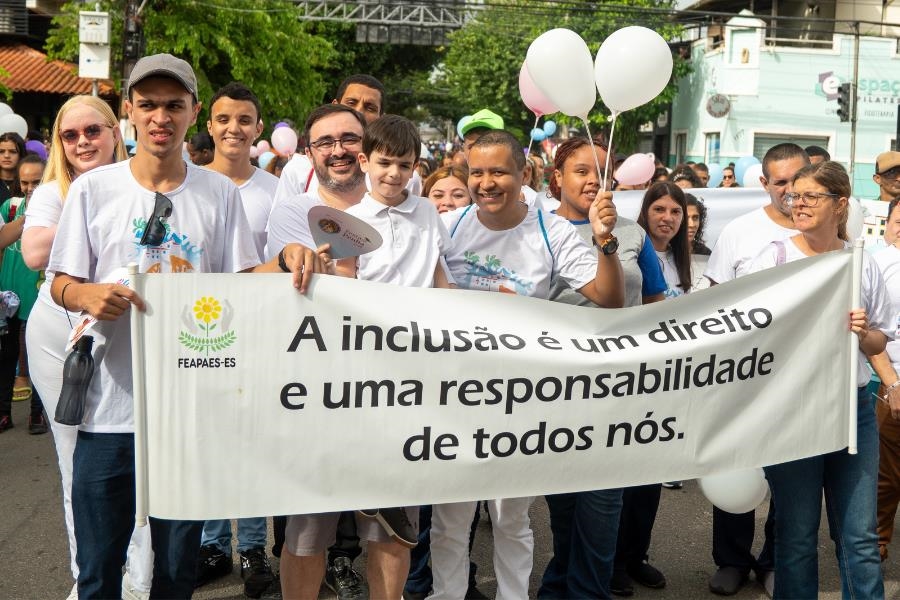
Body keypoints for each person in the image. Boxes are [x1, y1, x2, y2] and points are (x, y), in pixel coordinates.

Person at [45, 53, 321, 600]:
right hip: (108, 410)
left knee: (176, 575)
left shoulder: (219, 193)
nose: (160, 117)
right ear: (128, 111)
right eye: (147, 105)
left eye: (174, 105)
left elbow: (240, 282)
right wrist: (85, 294)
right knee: (97, 570)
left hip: (186, 412)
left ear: (194, 112)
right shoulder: (94, 189)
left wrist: (286, 257)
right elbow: (61, 281)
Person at [430, 130, 624, 600]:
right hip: (452, 398)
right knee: (450, 519)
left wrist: (605, 240)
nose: (486, 183)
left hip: (519, 402)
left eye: (499, 172)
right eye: (477, 172)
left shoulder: (550, 230)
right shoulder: (447, 225)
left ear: (524, 174)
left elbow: (610, 298)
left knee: (510, 518)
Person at [20, 95, 150, 600]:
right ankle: (88, 576)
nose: (82, 142)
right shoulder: (53, 190)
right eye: (69, 135)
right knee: (75, 459)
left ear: (115, 131)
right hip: (59, 334)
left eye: (92, 131)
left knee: (140, 456)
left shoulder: (145, 183)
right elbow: (34, 253)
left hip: (129, 333)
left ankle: (139, 578)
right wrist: (97, 211)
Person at [320, 113, 449, 599]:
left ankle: (387, 499)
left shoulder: (428, 212)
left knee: (408, 442)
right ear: (364, 160)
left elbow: (439, 273)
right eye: (385, 163)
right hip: (372, 350)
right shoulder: (350, 221)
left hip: (421, 353)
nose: (394, 174)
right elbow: (348, 282)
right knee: (373, 433)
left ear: (416, 167)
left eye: (404, 165)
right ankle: (374, 493)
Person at [749, 160, 890, 599]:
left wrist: (863, 332)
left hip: (852, 410)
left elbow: (879, 339)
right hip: (792, 412)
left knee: (860, 538)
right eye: (795, 196)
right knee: (796, 536)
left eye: (811, 196)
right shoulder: (772, 258)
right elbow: (744, 331)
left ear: (840, 204)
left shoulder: (861, 263)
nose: (799, 204)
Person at [538, 136, 665, 600]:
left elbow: (655, 303)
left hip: (618, 390)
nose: (594, 180)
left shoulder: (632, 234)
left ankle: (586, 591)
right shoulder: (537, 230)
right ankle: (560, 584)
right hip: (554, 391)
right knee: (564, 506)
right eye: (581, 171)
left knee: (604, 502)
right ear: (557, 178)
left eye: (602, 171)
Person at [269, 103, 371, 600]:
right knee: (307, 529)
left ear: (366, 146)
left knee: (388, 528)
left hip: (390, 387)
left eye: (349, 139)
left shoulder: (399, 204)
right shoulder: (293, 211)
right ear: (309, 153)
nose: (338, 150)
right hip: (316, 389)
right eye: (325, 142)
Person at [704, 143, 810, 596]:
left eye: (797, 180)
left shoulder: (826, 229)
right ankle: (731, 560)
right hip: (743, 375)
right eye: (779, 182)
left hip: (801, 379)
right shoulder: (740, 231)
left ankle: (773, 562)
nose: (789, 191)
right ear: (764, 183)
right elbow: (714, 298)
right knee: (736, 466)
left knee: (792, 479)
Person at [194, 81, 277, 597]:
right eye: (224, 119)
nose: (234, 128)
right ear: (209, 125)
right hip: (200, 332)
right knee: (206, 440)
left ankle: (252, 546)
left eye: (244, 119)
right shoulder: (191, 185)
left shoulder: (275, 190)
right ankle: (210, 543)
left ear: (258, 128)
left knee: (249, 441)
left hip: (257, 332)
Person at [0, 154, 47, 434]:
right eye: (25, 182)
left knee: (38, 357)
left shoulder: (59, 208)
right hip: (9, 295)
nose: (30, 188)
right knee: (6, 356)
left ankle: (37, 414)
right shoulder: (11, 207)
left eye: (37, 182)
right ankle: (3, 413)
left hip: (41, 295)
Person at [870, 197, 900, 562]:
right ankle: (877, 538)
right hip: (890, 381)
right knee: (887, 474)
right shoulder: (878, 263)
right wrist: (891, 382)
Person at [0, 132, 25, 203]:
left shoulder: (28, 182)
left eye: (12, 152)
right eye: (1, 151)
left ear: (20, 154)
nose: (6, 156)